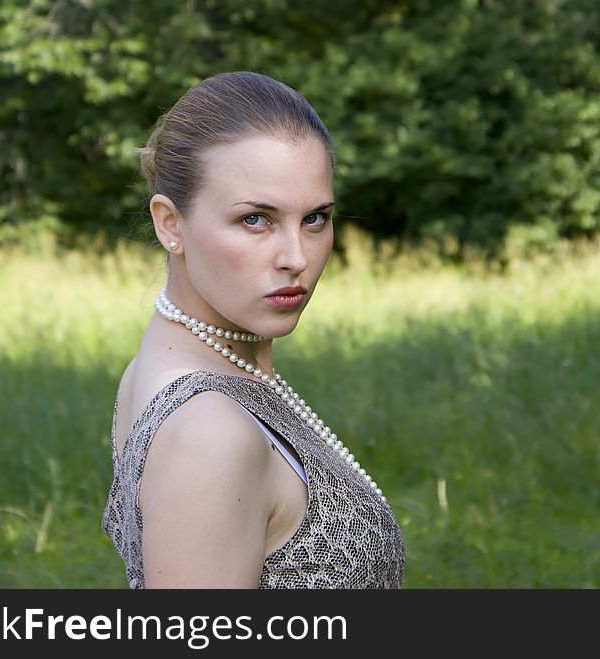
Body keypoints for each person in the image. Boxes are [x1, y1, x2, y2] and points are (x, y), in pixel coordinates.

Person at [102, 71, 405, 588]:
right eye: (256, 220)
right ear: (170, 224)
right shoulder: (209, 430)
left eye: (315, 218)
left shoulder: (179, 365)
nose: (297, 258)